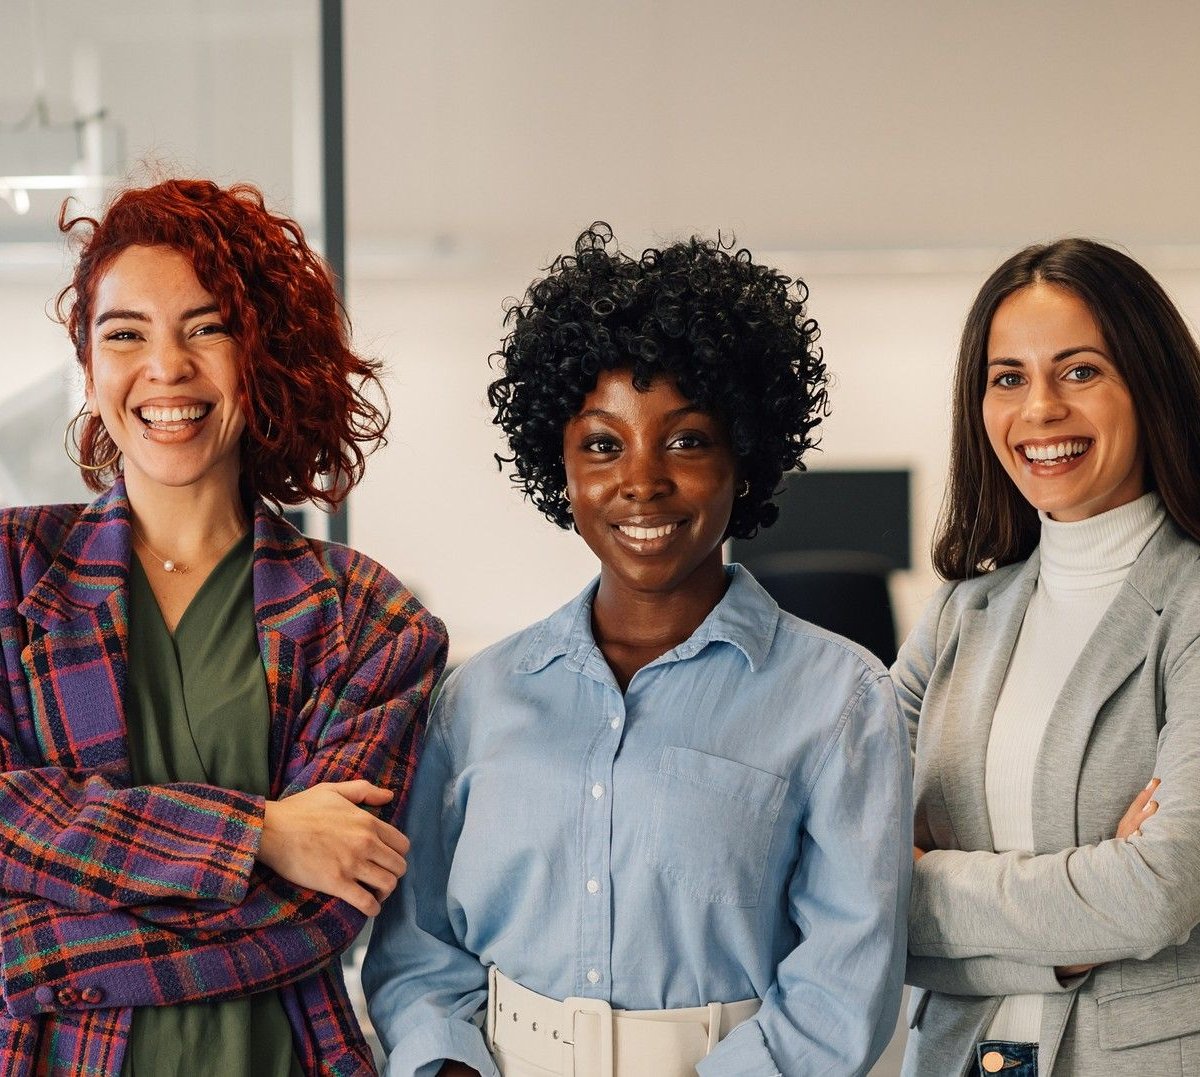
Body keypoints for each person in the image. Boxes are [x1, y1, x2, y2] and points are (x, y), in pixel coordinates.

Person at [363, 223, 912, 1077]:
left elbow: (845, 982)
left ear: (747, 457)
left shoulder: (839, 700)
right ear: (563, 465)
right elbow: (421, 947)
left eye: (686, 439)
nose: (641, 480)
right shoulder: (479, 699)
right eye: (602, 444)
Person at [0, 179, 447, 1075]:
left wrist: (29, 946)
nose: (166, 367)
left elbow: (317, 911)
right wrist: (263, 835)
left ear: (262, 354)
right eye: (125, 333)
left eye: (206, 327)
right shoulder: (13, 573)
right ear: (88, 368)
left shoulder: (370, 620)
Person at [895, 238, 1200, 1075]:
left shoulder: (1193, 604)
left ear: (1149, 382)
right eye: (1008, 377)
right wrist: (1071, 936)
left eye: (1079, 371)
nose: (1040, 410)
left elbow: (1159, 890)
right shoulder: (961, 614)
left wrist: (929, 875)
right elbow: (839, 884)